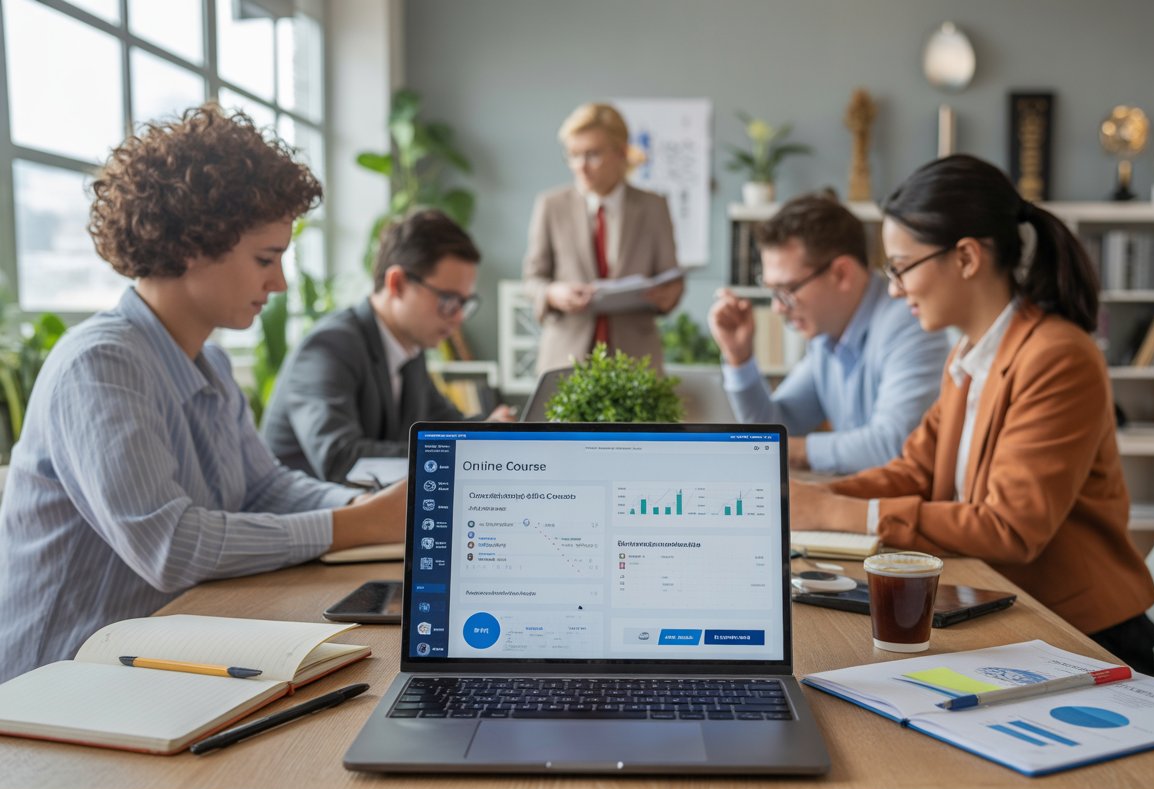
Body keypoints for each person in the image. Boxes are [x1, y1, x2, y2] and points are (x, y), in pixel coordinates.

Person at [0, 105, 407, 683]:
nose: (280, 282)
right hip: (60, 680)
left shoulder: (208, 362)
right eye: (265, 259)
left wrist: (361, 506)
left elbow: (264, 486)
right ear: (193, 244)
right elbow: (170, 545)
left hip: (162, 654)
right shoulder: (100, 365)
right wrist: (359, 525)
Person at [792, 155, 1154, 675]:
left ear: (966, 257)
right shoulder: (969, 354)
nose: (894, 289)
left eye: (900, 268)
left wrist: (833, 513)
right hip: (1007, 613)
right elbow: (914, 472)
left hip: (1085, 637)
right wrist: (812, 500)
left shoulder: (1057, 356)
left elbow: (1010, 527)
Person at [262, 210, 513, 483]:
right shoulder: (329, 348)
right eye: (448, 300)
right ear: (398, 283)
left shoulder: (410, 352)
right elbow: (340, 458)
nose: (458, 317)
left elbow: (444, 425)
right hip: (307, 517)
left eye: (464, 304)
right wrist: (459, 450)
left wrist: (491, 430)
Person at [708, 195, 949, 473]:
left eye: (787, 291)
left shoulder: (909, 321)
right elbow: (778, 424)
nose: (777, 308)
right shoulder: (826, 338)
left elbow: (892, 445)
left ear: (841, 274)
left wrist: (778, 449)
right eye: (772, 291)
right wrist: (739, 357)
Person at [523, 102, 684, 375]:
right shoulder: (551, 206)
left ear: (621, 153)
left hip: (635, 360)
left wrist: (669, 295)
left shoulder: (653, 207)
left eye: (592, 155)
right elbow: (532, 280)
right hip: (566, 357)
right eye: (573, 155)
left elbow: (671, 279)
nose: (580, 167)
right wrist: (553, 293)